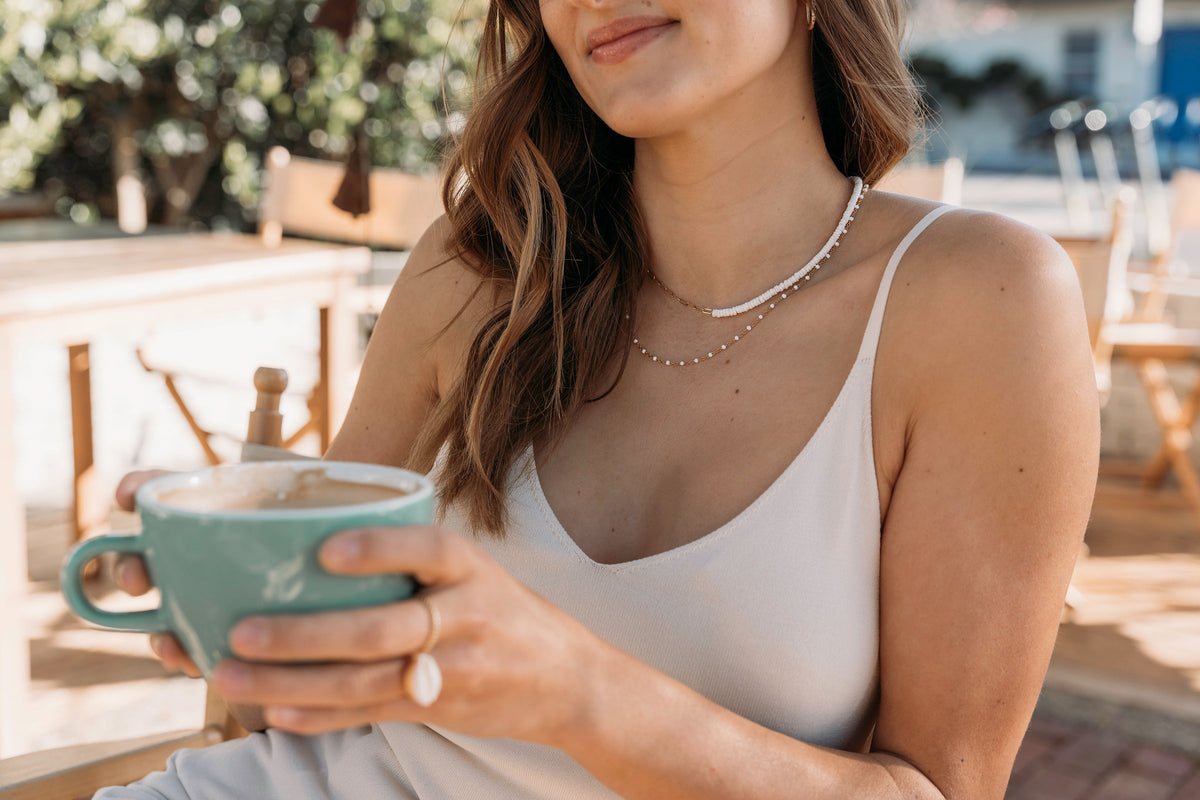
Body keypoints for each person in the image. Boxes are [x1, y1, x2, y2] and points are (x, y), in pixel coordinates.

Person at [100, 0, 1100, 797]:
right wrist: (243, 601)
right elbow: (294, 697)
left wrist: (574, 692)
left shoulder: (980, 301)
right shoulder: (473, 269)